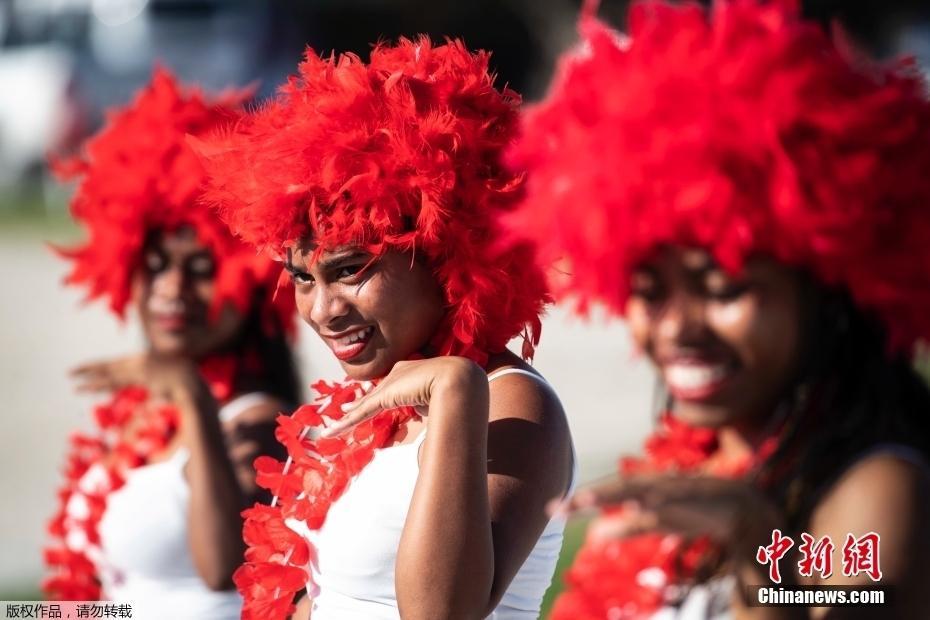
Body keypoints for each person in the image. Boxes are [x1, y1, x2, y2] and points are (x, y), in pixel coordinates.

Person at [507, 0, 930, 618]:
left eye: (724, 288)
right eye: (651, 291)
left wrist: (760, 555)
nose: (679, 326)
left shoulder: (877, 486)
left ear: (824, 283)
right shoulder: (690, 460)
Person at [195, 36, 576, 620]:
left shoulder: (513, 402)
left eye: (351, 270)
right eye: (302, 278)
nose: (322, 310)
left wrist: (455, 390)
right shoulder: (370, 397)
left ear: (445, 248)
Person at [43, 69, 301, 620]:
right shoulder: (141, 413)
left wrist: (191, 395)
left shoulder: (262, 423)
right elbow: (124, 604)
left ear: (250, 281)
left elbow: (222, 571)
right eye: (155, 264)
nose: (172, 289)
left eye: (201, 268)